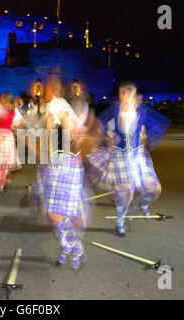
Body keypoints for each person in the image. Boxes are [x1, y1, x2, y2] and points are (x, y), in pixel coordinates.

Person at [86, 82, 170, 236]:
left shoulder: (141, 112)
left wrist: (145, 137)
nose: (122, 97)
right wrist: (109, 137)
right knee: (128, 192)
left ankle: (142, 205)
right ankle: (120, 220)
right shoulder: (114, 111)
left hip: (136, 156)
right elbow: (105, 125)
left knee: (155, 188)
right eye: (121, 93)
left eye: (125, 93)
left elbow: (158, 124)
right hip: (120, 157)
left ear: (133, 95)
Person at [43, 92, 96, 270]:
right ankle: (68, 247)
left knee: (63, 214)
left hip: (71, 169)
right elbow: (50, 142)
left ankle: (75, 248)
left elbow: (74, 138)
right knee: (53, 215)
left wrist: (66, 119)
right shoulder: (53, 117)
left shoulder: (72, 121)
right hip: (56, 168)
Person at [0, 93, 25, 194]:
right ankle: (0, 183)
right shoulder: (13, 110)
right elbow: (22, 122)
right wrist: (15, 127)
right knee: (5, 162)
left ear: (3, 99)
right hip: (8, 137)